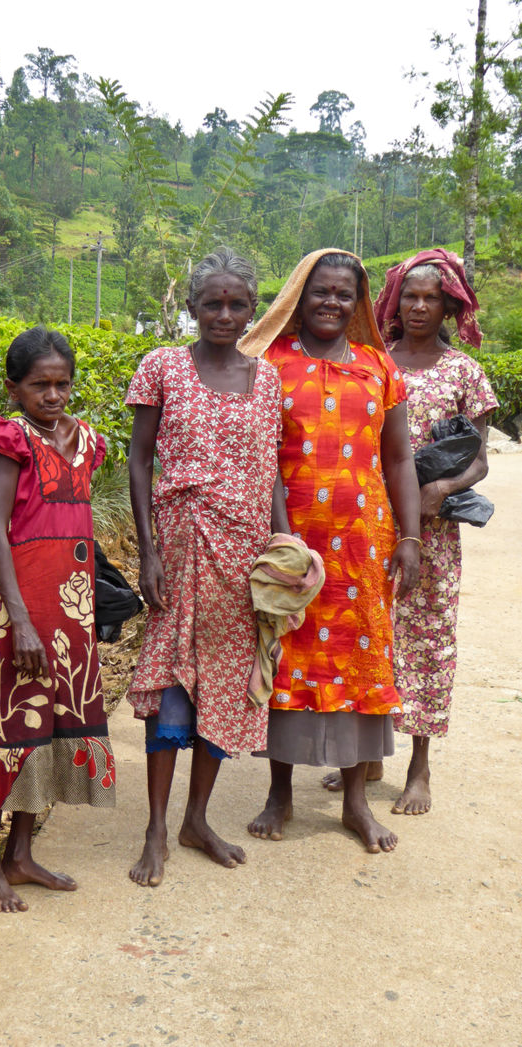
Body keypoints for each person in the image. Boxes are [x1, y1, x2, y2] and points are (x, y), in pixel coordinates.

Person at [240, 249, 420, 854]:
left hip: (364, 547)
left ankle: (354, 804)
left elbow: (398, 458)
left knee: (359, 660)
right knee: (286, 655)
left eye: (345, 293)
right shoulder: (270, 364)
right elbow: (260, 456)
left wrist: (412, 538)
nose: (332, 302)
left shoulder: (378, 365)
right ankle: (279, 793)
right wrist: (281, 536)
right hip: (292, 540)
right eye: (321, 291)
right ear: (298, 294)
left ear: (360, 302)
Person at [125, 247, 288, 888]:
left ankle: (197, 818)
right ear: (192, 309)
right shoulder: (162, 366)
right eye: (212, 303)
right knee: (171, 682)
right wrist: (146, 550)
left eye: (237, 304)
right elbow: (139, 461)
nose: (224, 314)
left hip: (244, 556)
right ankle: (157, 829)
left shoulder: (267, 378)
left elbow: (270, 466)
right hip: (181, 546)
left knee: (223, 686)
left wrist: (285, 546)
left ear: (253, 308)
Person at [0, 327, 115, 913]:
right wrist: (20, 622)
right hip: (16, 608)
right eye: (40, 384)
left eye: (63, 383)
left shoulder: (88, 440)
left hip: (71, 606)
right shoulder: (9, 437)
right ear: (14, 388)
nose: (54, 394)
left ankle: (21, 852)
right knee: (4, 727)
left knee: (47, 726)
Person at [371, 249, 498, 815]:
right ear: (396, 302)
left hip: (432, 532)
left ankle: (418, 767)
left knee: (425, 641)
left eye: (431, 298)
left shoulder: (464, 372)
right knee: (371, 632)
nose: (419, 307)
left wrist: (440, 490)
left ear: (450, 306)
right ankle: (368, 754)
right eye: (410, 297)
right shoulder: (374, 361)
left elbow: (479, 461)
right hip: (370, 523)